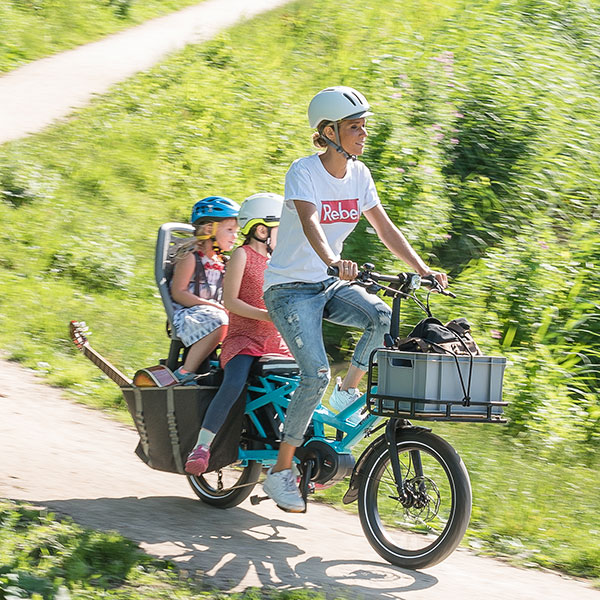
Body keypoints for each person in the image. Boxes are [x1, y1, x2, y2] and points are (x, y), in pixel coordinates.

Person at [261, 86, 448, 512]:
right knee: (314, 374)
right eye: (354, 127)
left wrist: (423, 270)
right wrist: (332, 260)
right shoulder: (303, 172)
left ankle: (347, 393)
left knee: (380, 316)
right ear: (329, 132)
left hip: (328, 285)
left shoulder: (360, 175)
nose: (364, 133)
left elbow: (384, 228)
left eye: (364, 126)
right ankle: (281, 471)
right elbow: (310, 220)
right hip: (290, 288)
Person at [185, 192, 292, 475]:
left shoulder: (279, 261)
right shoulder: (241, 255)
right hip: (244, 340)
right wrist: (266, 315)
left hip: (275, 342)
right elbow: (231, 302)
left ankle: (295, 456)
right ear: (261, 231)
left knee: (299, 386)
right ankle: (202, 446)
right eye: (280, 229)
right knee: (234, 383)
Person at [170, 196, 240, 384]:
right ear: (209, 229)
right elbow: (179, 293)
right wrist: (214, 306)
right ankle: (185, 372)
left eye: (236, 232)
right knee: (221, 320)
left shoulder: (222, 262)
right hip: (189, 314)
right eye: (230, 230)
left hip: (212, 313)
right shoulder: (191, 258)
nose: (235, 236)